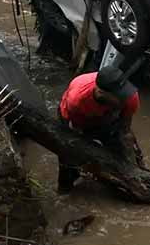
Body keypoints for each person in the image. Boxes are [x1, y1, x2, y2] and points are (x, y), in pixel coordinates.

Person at [57, 64, 143, 192]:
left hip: (108, 116)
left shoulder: (130, 97)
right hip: (75, 119)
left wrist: (132, 161)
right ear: (101, 92)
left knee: (123, 150)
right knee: (69, 156)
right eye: (119, 95)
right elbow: (77, 133)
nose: (124, 98)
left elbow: (125, 130)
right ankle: (65, 189)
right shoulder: (78, 101)